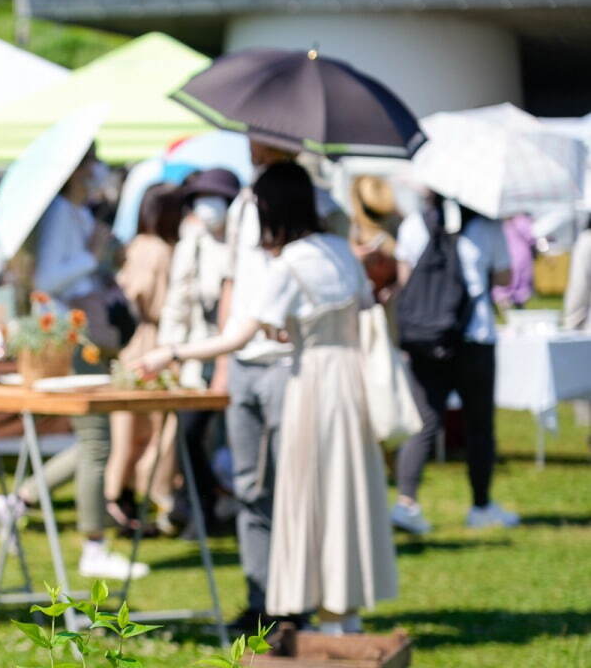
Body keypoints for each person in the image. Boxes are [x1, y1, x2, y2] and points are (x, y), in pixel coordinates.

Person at [136, 162, 397, 634]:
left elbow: (237, 337)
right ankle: (345, 613)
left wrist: (170, 352)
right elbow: (357, 309)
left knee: (305, 500)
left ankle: (320, 618)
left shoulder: (290, 263)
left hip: (311, 384)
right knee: (344, 497)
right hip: (348, 382)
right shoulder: (341, 249)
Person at [0, 145, 145, 579]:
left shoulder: (79, 214)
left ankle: (19, 502)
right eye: (91, 163)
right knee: (97, 441)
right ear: (76, 168)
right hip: (70, 335)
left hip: (85, 331)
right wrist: (92, 256)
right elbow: (49, 280)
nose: (98, 171)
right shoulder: (60, 213)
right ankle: (93, 546)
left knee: (95, 441)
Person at [218, 141, 351, 633]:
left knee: (293, 486)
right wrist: (221, 357)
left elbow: (339, 266)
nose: (251, 142)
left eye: (259, 134)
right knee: (249, 485)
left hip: (290, 362)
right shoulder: (242, 203)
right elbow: (232, 278)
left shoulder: (320, 203)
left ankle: (297, 599)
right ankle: (262, 600)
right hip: (243, 356)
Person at [391, 193, 518, 533]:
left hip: (425, 338)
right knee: (479, 425)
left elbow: (405, 279)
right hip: (474, 335)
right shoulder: (487, 227)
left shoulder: (415, 224)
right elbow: (506, 277)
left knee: (424, 421)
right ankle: (480, 505)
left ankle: (406, 502)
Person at [160, 168, 241, 536]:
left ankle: (230, 507)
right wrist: (170, 352)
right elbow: (178, 301)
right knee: (189, 436)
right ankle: (202, 507)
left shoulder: (245, 242)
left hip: (237, 353)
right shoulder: (191, 243)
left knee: (231, 437)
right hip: (195, 353)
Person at [105, 183, 184, 536]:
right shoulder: (160, 250)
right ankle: (149, 498)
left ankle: (118, 500)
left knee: (126, 430)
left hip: (131, 343)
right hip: (153, 342)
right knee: (157, 430)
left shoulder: (134, 246)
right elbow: (149, 297)